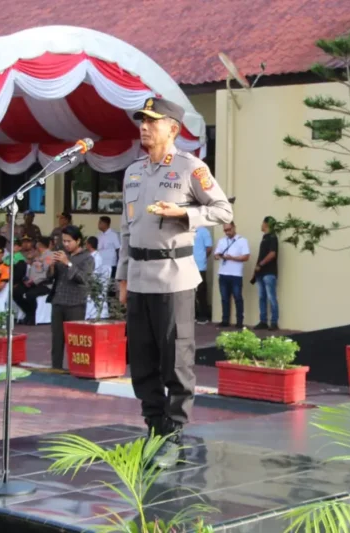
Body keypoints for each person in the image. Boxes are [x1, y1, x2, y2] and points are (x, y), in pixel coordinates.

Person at [116, 97, 232, 459]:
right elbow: (125, 229)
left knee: (176, 358)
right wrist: (122, 277)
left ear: (173, 128)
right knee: (143, 358)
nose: (144, 126)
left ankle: (175, 430)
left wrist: (182, 213)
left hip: (174, 277)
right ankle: (154, 425)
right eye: (141, 120)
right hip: (137, 277)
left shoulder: (189, 168)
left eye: (152, 121)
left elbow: (222, 209)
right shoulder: (132, 172)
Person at [48, 226, 93, 370]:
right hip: (58, 300)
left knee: (75, 339)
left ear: (78, 241)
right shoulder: (62, 254)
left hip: (75, 303)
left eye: (69, 241)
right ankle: (56, 368)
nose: (66, 244)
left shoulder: (87, 258)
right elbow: (50, 278)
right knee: (57, 339)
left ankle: (76, 368)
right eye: (64, 241)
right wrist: (52, 266)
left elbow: (83, 278)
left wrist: (68, 263)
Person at [214, 222, 251, 328]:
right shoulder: (222, 241)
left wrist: (232, 258)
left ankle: (240, 321)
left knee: (237, 297)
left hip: (236, 274)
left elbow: (246, 257)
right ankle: (225, 320)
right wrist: (218, 256)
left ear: (234, 227)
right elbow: (216, 254)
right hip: (223, 273)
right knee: (224, 298)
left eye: (229, 229)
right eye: (225, 230)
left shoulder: (242, 241)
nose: (227, 232)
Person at [13, 236, 54, 326]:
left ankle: (32, 316)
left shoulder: (49, 256)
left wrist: (33, 281)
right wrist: (26, 280)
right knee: (16, 292)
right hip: (31, 282)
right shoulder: (37, 255)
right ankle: (29, 313)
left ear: (40, 245)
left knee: (30, 295)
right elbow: (31, 270)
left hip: (44, 284)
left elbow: (45, 274)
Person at [253, 216, 279, 330]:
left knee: (271, 297)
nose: (261, 225)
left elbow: (272, 254)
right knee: (262, 297)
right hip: (260, 273)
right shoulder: (265, 237)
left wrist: (261, 264)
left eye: (262, 222)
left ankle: (274, 322)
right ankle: (263, 321)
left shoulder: (273, 237)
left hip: (269, 272)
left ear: (266, 224)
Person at [193, 226, 213, 324]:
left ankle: (203, 315)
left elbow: (209, 248)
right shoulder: (188, 229)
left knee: (201, 291)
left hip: (200, 266)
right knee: (190, 292)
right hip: (188, 266)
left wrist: (202, 258)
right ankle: (194, 314)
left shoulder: (204, 231)